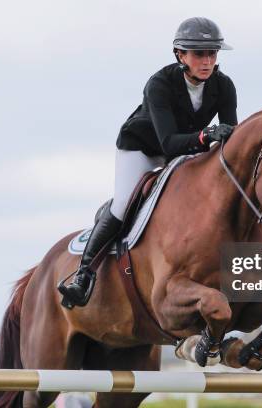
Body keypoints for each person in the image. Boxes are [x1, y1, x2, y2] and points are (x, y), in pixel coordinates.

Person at [58, 17, 238, 309]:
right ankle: (83, 276)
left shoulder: (224, 86)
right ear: (180, 55)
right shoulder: (159, 84)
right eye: (198, 54)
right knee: (123, 204)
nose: (206, 61)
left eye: (212, 53)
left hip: (184, 152)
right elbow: (167, 142)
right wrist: (206, 135)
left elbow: (230, 135)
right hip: (141, 148)